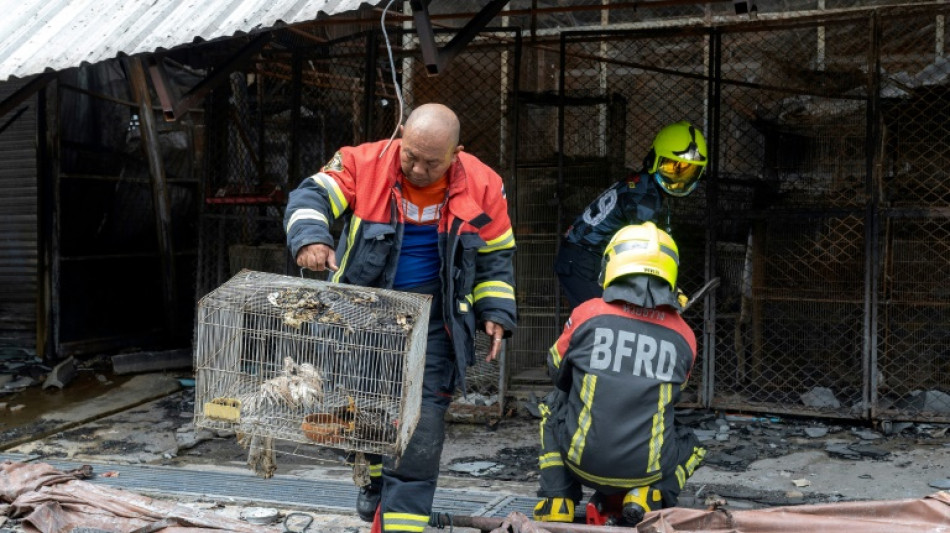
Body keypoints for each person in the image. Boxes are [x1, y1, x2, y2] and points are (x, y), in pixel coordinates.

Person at [284, 103, 517, 533]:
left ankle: (402, 523)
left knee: (421, 427)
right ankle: (374, 481)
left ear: (456, 153)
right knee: (362, 412)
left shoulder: (485, 184)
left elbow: (497, 254)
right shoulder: (362, 163)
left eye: (432, 162)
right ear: (400, 133)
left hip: (436, 324)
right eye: (410, 155)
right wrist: (311, 237)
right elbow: (310, 195)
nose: (417, 168)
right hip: (363, 319)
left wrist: (497, 310)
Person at [534, 221, 706, 526]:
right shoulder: (685, 336)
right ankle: (647, 495)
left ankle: (557, 500)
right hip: (647, 468)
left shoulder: (588, 313)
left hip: (580, 462)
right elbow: (673, 394)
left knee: (552, 405)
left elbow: (556, 371)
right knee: (692, 443)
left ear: (612, 263)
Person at [555, 121, 708, 309]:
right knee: (599, 321)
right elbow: (644, 253)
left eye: (688, 172)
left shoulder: (642, 184)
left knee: (607, 319)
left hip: (585, 257)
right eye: (671, 167)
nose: (678, 179)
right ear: (654, 160)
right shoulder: (645, 199)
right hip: (583, 261)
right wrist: (668, 290)